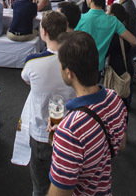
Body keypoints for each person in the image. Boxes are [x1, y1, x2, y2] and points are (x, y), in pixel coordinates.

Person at [49, 31, 128, 195]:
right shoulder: (114, 98)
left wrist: (65, 143)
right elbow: (121, 143)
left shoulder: (70, 131)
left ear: (69, 73)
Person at [21, 11, 76, 196]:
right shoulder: (75, 61)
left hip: (41, 132)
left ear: (43, 32)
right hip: (70, 132)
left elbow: (27, 80)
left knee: (40, 186)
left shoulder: (33, 62)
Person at [74, 0, 136, 71]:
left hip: (80, 65)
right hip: (99, 66)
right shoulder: (113, 21)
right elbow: (134, 41)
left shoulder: (80, 19)